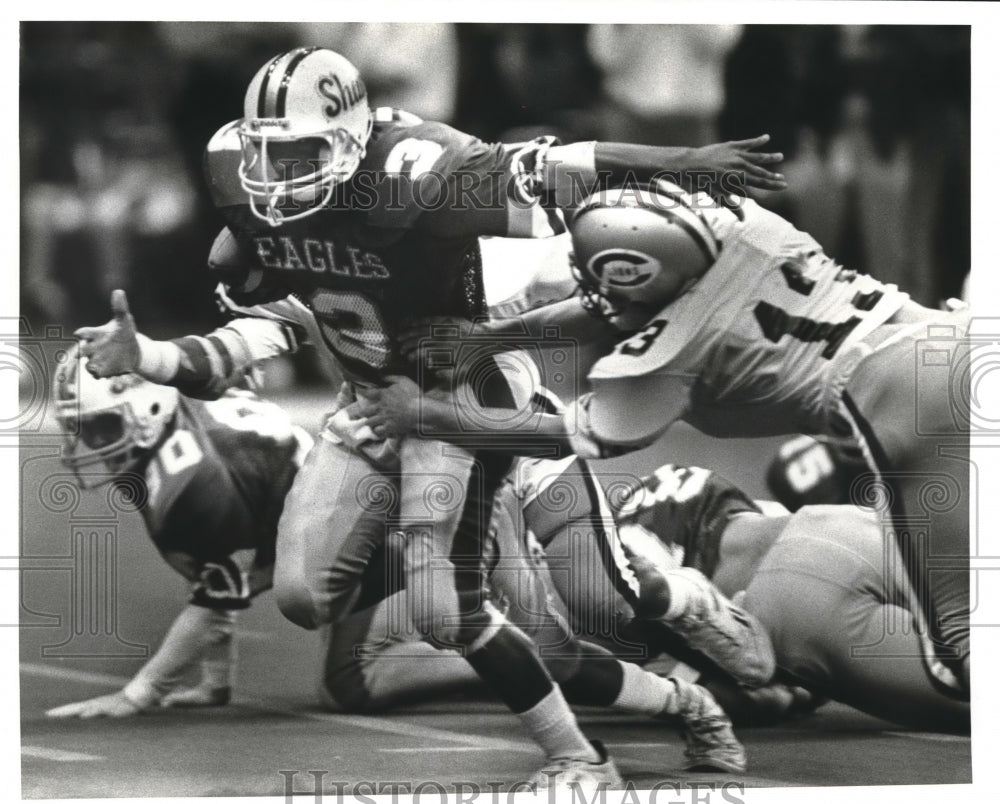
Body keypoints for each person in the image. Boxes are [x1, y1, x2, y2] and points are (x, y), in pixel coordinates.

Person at [74, 47, 787, 787]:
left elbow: (561, 174)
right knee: (307, 598)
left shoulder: (436, 186)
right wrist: (151, 357)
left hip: (471, 405)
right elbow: (262, 327)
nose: (275, 181)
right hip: (379, 410)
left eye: (298, 156)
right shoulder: (263, 212)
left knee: (569, 607)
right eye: (268, 157)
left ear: (351, 141)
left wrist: (687, 164)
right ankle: (476, 601)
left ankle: (619, 703)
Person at [380, 178, 971, 702]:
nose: (598, 303)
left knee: (964, 660)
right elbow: (612, 305)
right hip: (960, 337)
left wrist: (423, 415)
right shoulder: (741, 227)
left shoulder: (668, 356)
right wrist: (487, 340)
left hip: (910, 405)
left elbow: (556, 432)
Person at [321, 452, 968, 734]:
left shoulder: (522, 605)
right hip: (834, 526)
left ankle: (680, 599)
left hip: (786, 606)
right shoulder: (612, 503)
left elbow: (352, 679)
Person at [43, 347, 312, 718]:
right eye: (85, 429)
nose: (96, 444)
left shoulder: (193, 477)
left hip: (361, 532)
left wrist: (141, 692)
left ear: (147, 408)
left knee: (351, 683)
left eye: (103, 426)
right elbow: (212, 563)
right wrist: (217, 682)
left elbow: (217, 601)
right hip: (306, 523)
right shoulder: (169, 427)